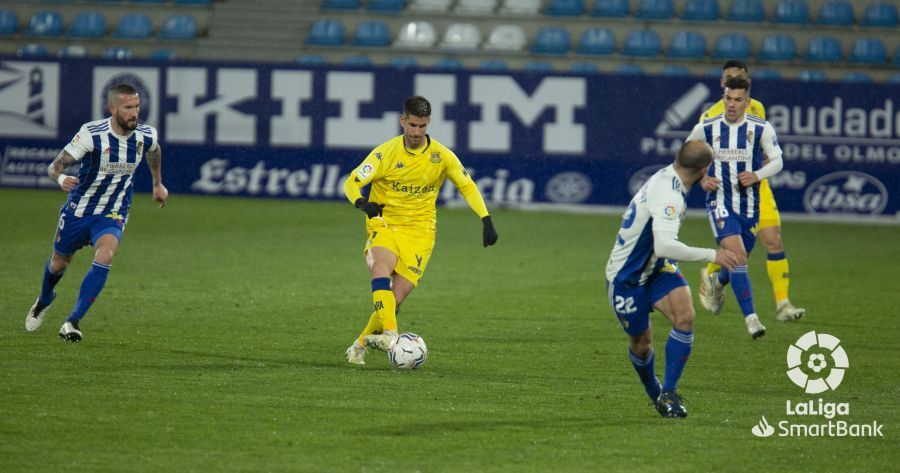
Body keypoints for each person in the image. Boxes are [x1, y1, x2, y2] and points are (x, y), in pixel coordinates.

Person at [343, 95, 498, 365]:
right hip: (386, 224)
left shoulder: (441, 155)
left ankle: (359, 346)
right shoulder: (385, 153)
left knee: (396, 298)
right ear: (402, 121)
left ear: (428, 124)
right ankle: (392, 334)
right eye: (412, 125)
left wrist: (485, 218)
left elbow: (467, 186)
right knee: (380, 268)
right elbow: (352, 182)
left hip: (421, 233)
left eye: (422, 126)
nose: (416, 132)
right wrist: (361, 202)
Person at [25, 84, 168, 342]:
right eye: (128, 108)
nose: (134, 113)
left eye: (136, 107)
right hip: (79, 210)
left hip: (113, 211)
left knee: (106, 254)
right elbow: (55, 166)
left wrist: (157, 183)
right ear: (112, 109)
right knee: (59, 263)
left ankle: (72, 321)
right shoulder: (92, 134)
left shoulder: (145, 134)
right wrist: (60, 180)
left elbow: (154, 150)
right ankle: (45, 298)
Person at [606, 141, 738, 418]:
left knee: (685, 316)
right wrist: (713, 254)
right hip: (626, 278)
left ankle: (669, 391)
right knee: (642, 344)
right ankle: (654, 393)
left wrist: (703, 179)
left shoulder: (670, 175)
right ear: (704, 169)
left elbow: (661, 252)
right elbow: (664, 246)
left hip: (656, 268)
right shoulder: (670, 197)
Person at [697, 60, 806, 323]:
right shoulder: (710, 116)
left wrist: (762, 166)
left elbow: (762, 146)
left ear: (747, 85)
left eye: (739, 78)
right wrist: (705, 176)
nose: (734, 81)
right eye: (729, 78)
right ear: (722, 84)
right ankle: (714, 274)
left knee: (773, 240)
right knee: (740, 250)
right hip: (727, 192)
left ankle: (783, 304)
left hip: (757, 189)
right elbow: (700, 154)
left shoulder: (756, 108)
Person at [687, 76, 784, 339]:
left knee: (736, 261)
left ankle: (717, 283)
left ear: (747, 102)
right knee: (738, 256)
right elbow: (687, 156)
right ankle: (752, 319)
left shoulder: (761, 128)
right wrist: (702, 178)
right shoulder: (706, 127)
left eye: (737, 100)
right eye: (728, 98)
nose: (731, 104)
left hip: (749, 206)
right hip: (718, 202)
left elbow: (778, 161)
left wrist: (758, 174)